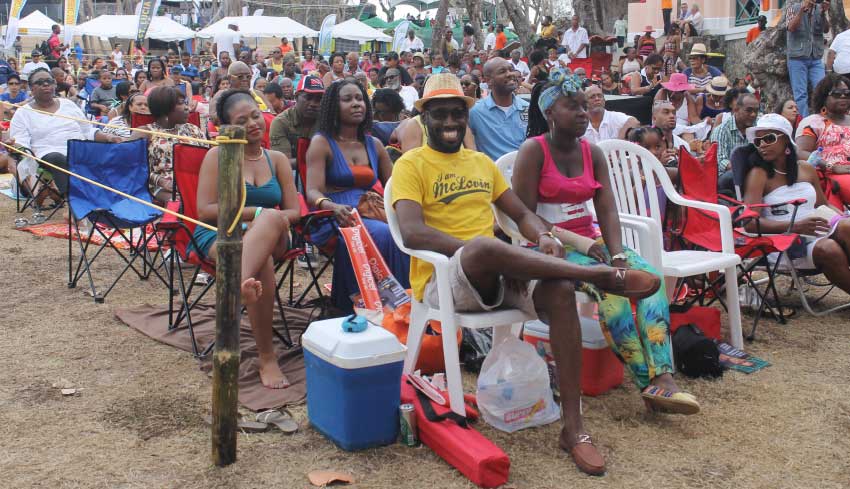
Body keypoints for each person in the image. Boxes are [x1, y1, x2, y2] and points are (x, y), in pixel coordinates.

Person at [392, 73, 664, 477]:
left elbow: (520, 213)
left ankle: (574, 428)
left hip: (498, 273)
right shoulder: (411, 163)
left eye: (456, 113)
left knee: (558, 287)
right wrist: (491, 254)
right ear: (424, 120)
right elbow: (412, 231)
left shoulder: (482, 163)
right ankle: (605, 276)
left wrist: (543, 236)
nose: (450, 121)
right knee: (483, 245)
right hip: (446, 281)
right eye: (439, 114)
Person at [518, 67, 697, 412]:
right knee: (612, 292)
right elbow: (525, 217)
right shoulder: (533, 151)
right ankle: (649, 382)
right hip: (549, 247)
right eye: (574, 106)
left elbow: (607, 209)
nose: (583, 114)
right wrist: (585, 246)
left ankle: (664, 376)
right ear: (550, 112)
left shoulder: (592, 152)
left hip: (593, 242)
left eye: (585, 106)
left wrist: (617, 254)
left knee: (650, 280)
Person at [194, 90, 300, 389]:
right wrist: (253, 215)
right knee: (261, 257)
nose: (253, 123)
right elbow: (204, 210)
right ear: (226, 126)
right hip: (220, 232)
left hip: (273, 231)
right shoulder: (218, 155)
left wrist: (262, 216)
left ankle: (233, 289)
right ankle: (268, 357)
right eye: (242, 121)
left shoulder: (277, 159)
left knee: (269, 220)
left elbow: (293, 210)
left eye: (256, 115)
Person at [305, 80, 410, 312]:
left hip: (369, 208)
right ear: (334, 105)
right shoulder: (321, 143)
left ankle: (405, 303)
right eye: (348, 99)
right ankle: (381, 305)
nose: (356, 104)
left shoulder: (374, 144)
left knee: (406, 232)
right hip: (334, 212)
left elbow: (396, 186)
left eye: (360, 99)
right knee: (386, 234)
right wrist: (331, 207)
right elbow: (312, 191)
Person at [743, 112, 850, 294]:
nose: (762, 145)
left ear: (785, 139)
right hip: (786, 242)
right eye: (758, 141)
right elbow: (750, 223)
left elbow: (821, 205)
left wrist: (842, 217)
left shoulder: (805, 168)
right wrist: (794, 226)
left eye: (769, 138)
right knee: (829, 248)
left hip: (816, 230)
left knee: (848, 226)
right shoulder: (759, 174)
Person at [9, 69, 122, 199]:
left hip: (79, 150)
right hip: (48, 156)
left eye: (49, 81)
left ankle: (113, 197)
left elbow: (88, 131)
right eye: (40, 82)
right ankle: (75, 203)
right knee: (57, 158)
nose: (46, 85)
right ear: (31, 88)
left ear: (55, 85)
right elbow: (21, 143)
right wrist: (14, 146)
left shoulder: (68, 105)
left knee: (112, 151)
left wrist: (109, 137)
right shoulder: (23, 113)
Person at [141, 86, 207, 203]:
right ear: (165, 107)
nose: (187, 108)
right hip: (164, 187)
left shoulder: (193, 129)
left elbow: (207, 159)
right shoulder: (146, 132)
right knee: (182, 204)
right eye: (182, 104)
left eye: (186, 103)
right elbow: (132, 168)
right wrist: (160, 181)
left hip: (197, 184)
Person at [796, 74, 850, 206]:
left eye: (847, 93)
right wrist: (831, 167)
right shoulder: (814, 122)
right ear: (824, 97)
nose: (843, 96)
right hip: (830, 174)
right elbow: (801, 153)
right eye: (836, 94)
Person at [468, 57, 529, 161]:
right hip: (492, 175)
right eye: (502, 71)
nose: (510, 74)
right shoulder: (475, 113)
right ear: (488, 81)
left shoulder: (528, 108)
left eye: (511, 69)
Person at [786, 0, 829, 118]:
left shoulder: (819, 9)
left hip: (815, 57)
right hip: (797, 58)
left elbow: (825, 29)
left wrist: (823, 13)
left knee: (822, 90)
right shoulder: (792, 7)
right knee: (800, 94)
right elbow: (791, 27)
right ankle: (804, 123)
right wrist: (801, 10)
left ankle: (823, 120)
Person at [270, 75, 324, 159]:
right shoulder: (281, 122)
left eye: (319, 99)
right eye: (308, 98)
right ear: (296, 97)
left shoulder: (327, 120)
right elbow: (282, 162)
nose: (313, 103)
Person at [710, 92, 759, 177]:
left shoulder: (759, 126)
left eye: (756, 111)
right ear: (736, 110)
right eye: (749, 110)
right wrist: (745, 169)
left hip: (754, 173)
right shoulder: (721, 130)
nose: (753, 114)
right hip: (728, 176)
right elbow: (721, 161)